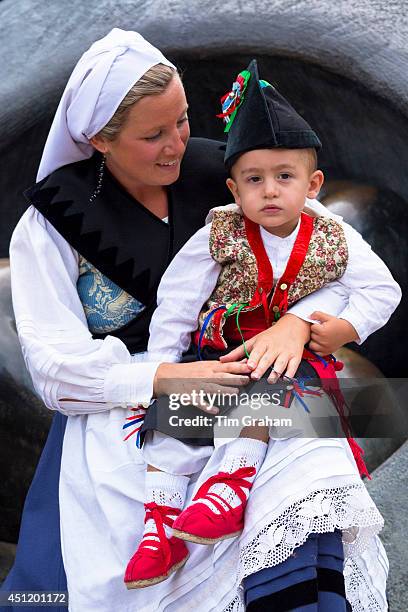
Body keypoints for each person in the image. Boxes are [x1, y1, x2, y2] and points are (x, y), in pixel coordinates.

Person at [0, 31, 393, 612]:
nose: (175, 145)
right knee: (128, 528)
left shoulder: (232, 172)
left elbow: (333, 256)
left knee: (312, 468)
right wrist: (164, 379)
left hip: (258, 375)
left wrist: (297, 325)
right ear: (100, 140)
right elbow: (54, 371)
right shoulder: (51, 225)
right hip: (133, 401)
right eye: (153, 135)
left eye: (181, 122)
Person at [126, 60, 402, 609]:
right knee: (171, 425)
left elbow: (383, 290)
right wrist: (161, 367)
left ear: (313, 183)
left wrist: (344, 328)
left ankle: (232, 484)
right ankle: (159, 526)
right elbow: (177, 302)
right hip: (218, 348)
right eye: (254, 180)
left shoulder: (333, 234)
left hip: (288, 358)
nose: (270, 191)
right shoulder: (220, 230)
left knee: (276, 392)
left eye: (285, 177)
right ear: (234, 187)